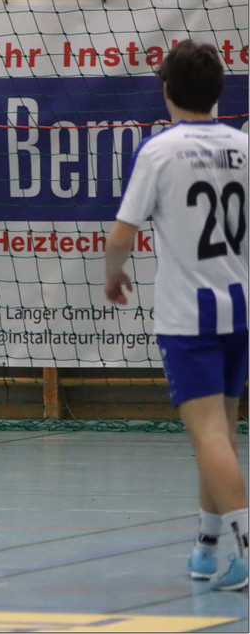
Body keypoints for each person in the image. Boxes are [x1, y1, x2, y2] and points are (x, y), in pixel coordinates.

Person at [103, 39, 248, 591]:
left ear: (166, 89)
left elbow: (122, 235)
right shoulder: (243, 146)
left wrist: (113, 274)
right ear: (218, 92)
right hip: (239, 309)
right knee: (222, 433)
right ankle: (207, 547)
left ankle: (245, 548)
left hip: (189, 318)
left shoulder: (159, 151)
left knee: (208, 435)